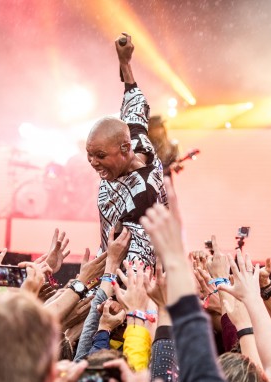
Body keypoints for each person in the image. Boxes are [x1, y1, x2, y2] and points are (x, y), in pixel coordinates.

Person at [86, 33, 167, 268]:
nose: (93, 162)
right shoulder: (135, 137)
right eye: (89, 155)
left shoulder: (143, 196)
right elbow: (134, 98)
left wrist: (96, 287)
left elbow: (134, 266)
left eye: (100, 156)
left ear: (124, 149)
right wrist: (125, 62)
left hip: (118, 280)